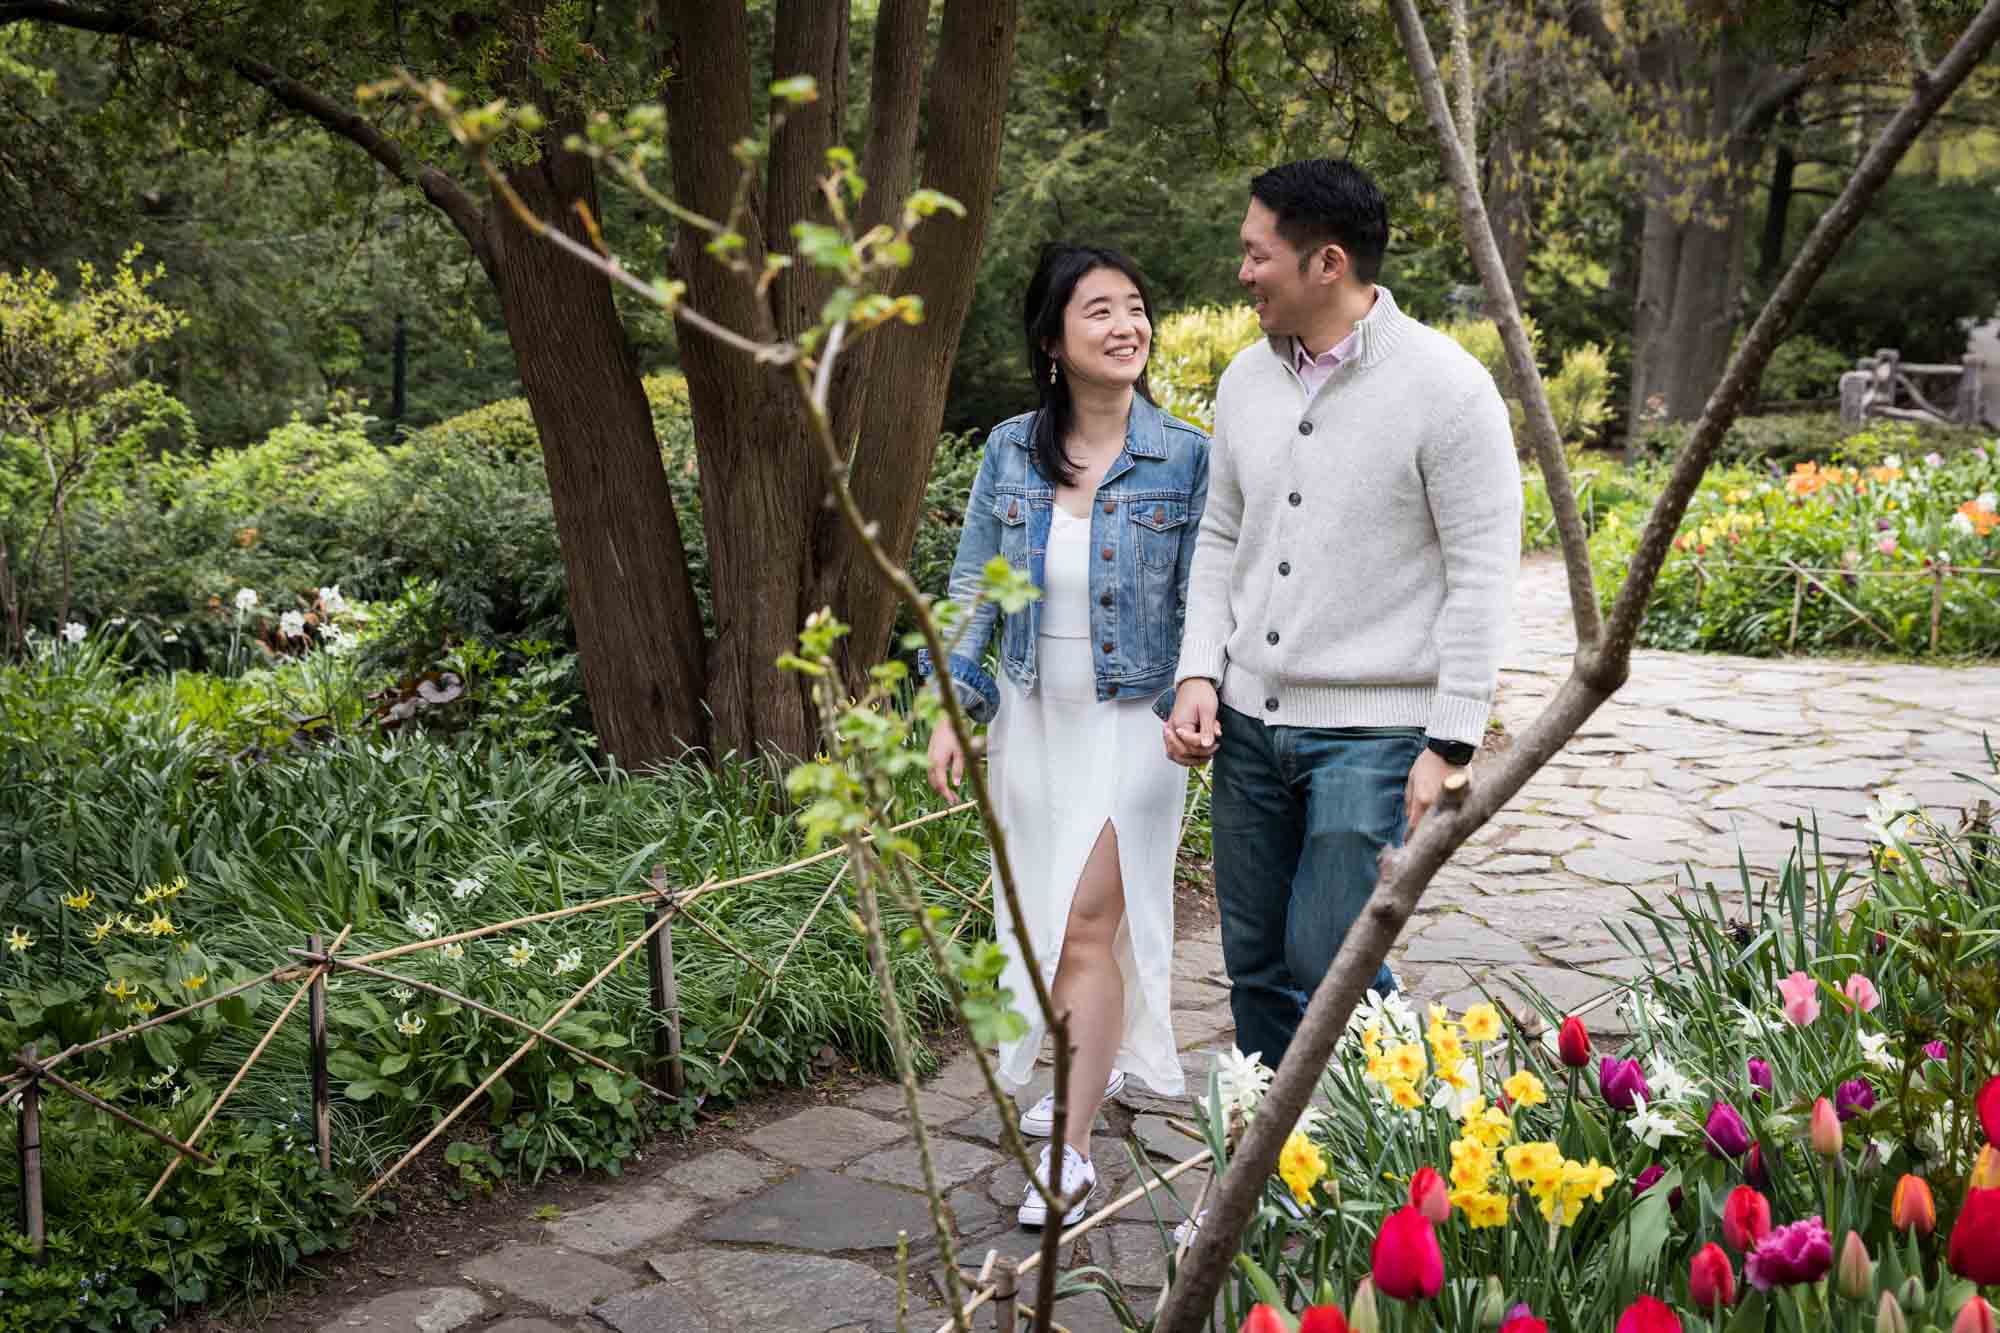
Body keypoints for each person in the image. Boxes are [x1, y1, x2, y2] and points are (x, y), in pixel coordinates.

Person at [1164, 158, 1520, 1073]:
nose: (1242, 272)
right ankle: (1279, 1181)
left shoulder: (1449, 388)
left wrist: (1452, 742)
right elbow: (1221, 536)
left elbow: (1483, 574)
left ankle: (1421, 1138)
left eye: (1256, 254)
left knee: (1332, 959)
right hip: (1246, 726)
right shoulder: (1246, 379)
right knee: (1253, 968)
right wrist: (1200, 669)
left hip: (1373, 734)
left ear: (1326, 262)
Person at [923, 242, 1209, 1229]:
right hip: (1034, 719)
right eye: (1099, 310)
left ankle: (1070, 1148)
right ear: (1052, 339)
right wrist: (955, 711)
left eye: (1134, 306)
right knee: (1046, 925)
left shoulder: (1185, 454)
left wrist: (1197, 691)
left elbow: (1211, 597)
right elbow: (973, 584)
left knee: (1090, 920)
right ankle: (1095, 1065)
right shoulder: (1009, 449)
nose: (1125, 324)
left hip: (1137, 726)